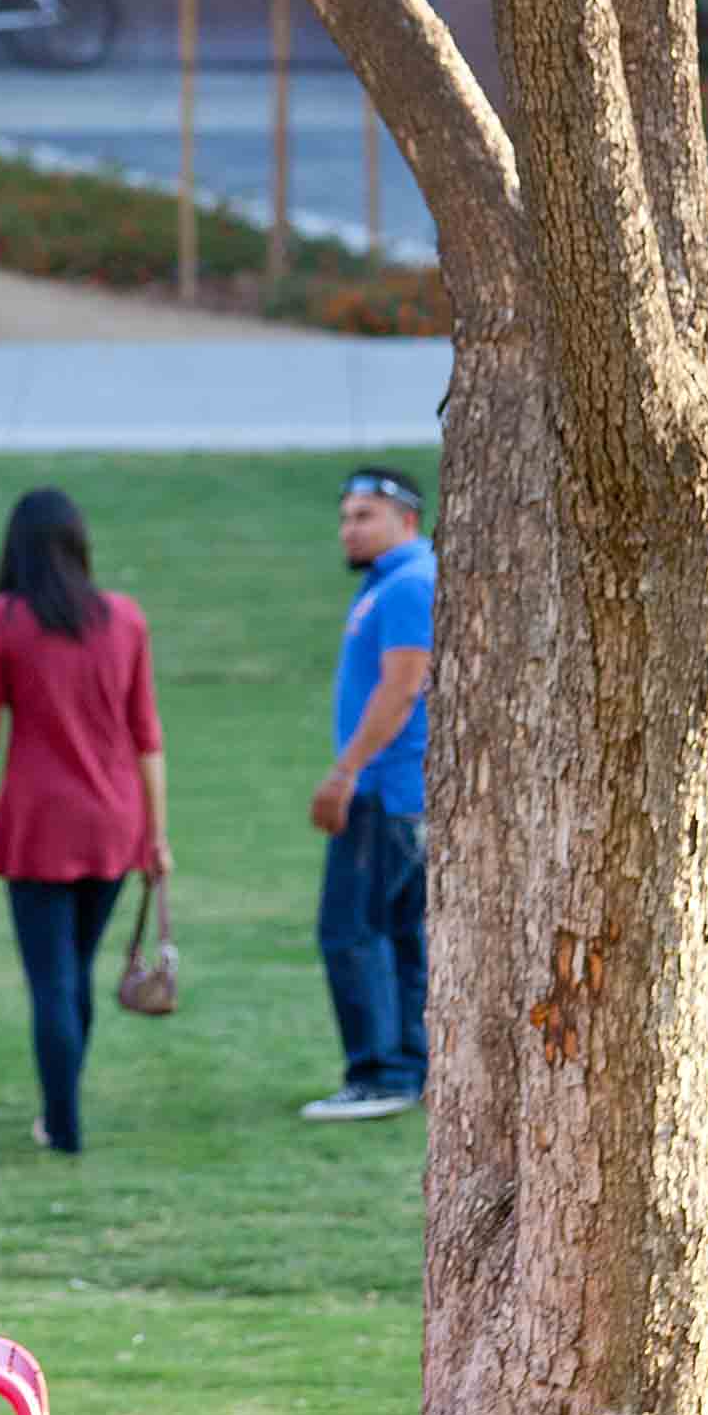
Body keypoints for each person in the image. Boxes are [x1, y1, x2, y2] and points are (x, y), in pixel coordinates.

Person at [0, 487, 169, 1157]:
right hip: (115, 821)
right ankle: (61, 1111)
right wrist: (158, 834)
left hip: (39, 824)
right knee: (77, 970)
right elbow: (147, 734)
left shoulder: (2, 620)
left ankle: (62, 1125)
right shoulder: (124, 618)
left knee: (52, 981)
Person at [304, 467, 434, 1125]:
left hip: (385, 789)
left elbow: (403, 687)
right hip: (399, 789)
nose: (348, 529)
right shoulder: (392, 583)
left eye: (364, 516)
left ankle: (381, 1074)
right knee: (402, 933)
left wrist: (345, 771)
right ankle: (415, 1066)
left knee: (351, 930)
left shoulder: (409, 585)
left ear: (404, 521)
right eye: (345, 516)